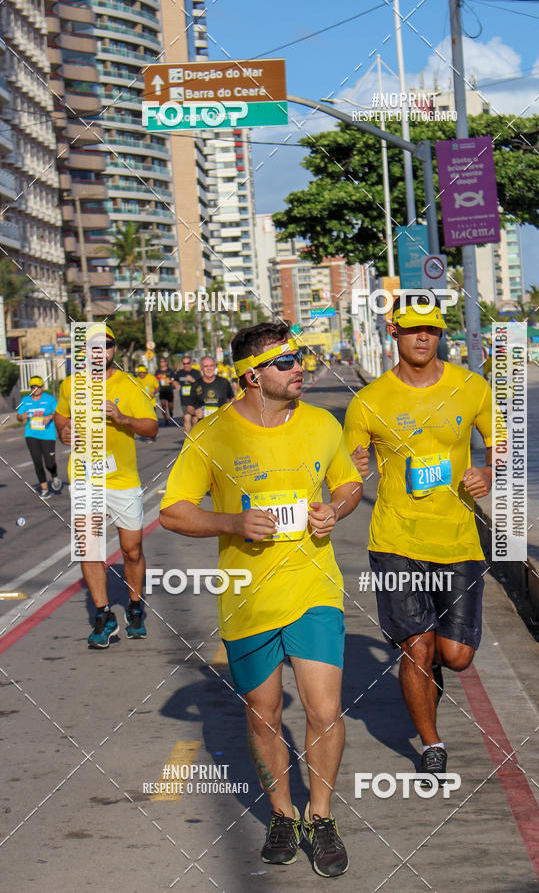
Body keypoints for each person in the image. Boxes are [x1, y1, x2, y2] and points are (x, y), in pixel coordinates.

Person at [160, 321, 362, 877]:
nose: (300, 368)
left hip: (313, 588)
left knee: (323, 709)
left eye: (301, 359)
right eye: (286, 361)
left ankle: (320, 817)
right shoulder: (214, 436)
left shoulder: (322, 424)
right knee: (264, 714)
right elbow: (173, 510)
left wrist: (336, 510)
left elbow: (347, 485)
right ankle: (282, 813)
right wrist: (232, 521)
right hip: (247, 598)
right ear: (252, 375)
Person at [344, 294, 493, 784]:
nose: (423, 336)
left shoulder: (471, 387)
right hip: (395, 539)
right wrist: (352, 473)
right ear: (394, 332)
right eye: (412, 329)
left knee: (456, 656)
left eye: (431, 328)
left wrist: (488, 473)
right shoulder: (368, 402)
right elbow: (343, 470)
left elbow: (502, 445)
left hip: (457, 540)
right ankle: (432, 743)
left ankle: (433, 669)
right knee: (416, 647)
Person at [54, 323, 159, 649]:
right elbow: (60, 416)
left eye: (108, 344)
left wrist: (123, 418)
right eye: (95, 345)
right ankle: (103, 615)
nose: (102, 350)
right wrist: (63, 431)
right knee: (90, 548)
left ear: (115, 349)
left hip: (122, 480)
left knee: (131, 550)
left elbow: (152, 428)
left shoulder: (130, 385)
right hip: (85, 477)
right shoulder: (71, 385)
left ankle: (135, 605)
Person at [16, 374, 62, 498]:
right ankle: (44, 489)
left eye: (38, 387)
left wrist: (49, 417)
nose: (35, 389)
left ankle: (54, 475)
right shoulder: (25, 400)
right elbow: (19, 417)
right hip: (31, 434)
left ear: (42, 387)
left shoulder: (49, 399)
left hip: (48, 434)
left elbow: (58, 412)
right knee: (37, 461)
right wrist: (22, 416)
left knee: (49, 462)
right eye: (33, 387)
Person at [189, 354, 235, 422]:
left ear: (215, 367)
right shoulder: (196, 384)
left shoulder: (224, 382)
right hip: (204, 422)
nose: (209, 368)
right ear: (201, 368)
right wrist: (195, 412)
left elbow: (232, 399)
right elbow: (189, 407)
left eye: (211, 366)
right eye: (205, 366)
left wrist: (231, 411)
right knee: (194, 420)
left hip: (221, 420)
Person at [173, 355, 201, 434]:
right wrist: (176, 385)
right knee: (186, 418)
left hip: (195, 399)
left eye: (188, 363)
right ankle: (188, 439)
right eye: (184, 363)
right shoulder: (179, 373)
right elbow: (175, 381)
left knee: (195, 420)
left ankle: (194, 435)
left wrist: (192, 380)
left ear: (191, 363)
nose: (186, 365)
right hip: (185, 399)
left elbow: (201, 384)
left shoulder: (196, 372)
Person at [156, 356, 175, 426]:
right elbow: (156, 380)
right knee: (163, 405)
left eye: (163, 361)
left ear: (166, 363)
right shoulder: (158, 372)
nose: (162, 363)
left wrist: (169, 380)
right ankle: (166, 419)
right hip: (162, 391)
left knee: (170, 406)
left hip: (169, 390)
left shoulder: (170, 371)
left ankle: (171, 412)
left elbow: (173, 379)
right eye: (160, 361)